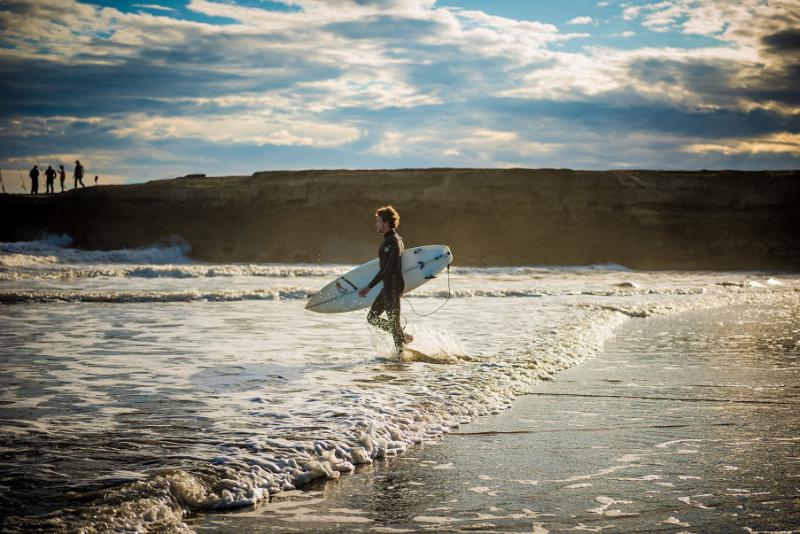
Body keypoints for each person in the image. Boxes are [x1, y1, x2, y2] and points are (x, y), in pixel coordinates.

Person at [358, 205, 413, 350]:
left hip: (392, 286)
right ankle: (401, 337)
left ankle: (400, 355)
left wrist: (369, 287)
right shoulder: (397, 238)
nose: (375, 224)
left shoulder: (391, 242)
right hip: (391, 286)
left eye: (378, 221)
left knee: (392, 323)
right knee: (373, 318)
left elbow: (387, 269)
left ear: (386, 222)